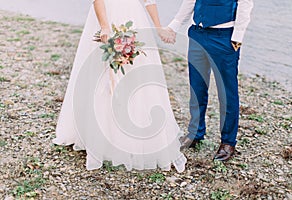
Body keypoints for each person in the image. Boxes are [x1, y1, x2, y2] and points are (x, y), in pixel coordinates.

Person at [53, 0, 187, 172]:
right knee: (102, 75)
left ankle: (135, 137)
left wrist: (158, 26)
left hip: (134, 18)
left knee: (137, 73)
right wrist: (104, 26)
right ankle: (101, 138)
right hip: (107, 16)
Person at [165, 0, 253, 161]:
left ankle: (228, 142)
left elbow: (245, 3)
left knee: (227, 92)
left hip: (224, 37)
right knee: (197, 86)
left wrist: (238, 36)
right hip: (197, 34)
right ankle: (195, 133)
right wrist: (174, 26)